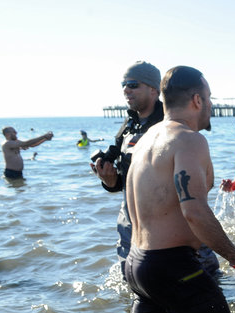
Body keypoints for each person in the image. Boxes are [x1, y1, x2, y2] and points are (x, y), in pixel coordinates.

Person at [124, 66, 235, 313]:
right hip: (171, 267)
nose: (211, 105)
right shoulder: (188, 140)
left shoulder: (146, 140)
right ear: (197, 100)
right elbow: (194, 211)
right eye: (209, 98)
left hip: (136, 266)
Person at [91, 61, 219, 276]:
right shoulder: (129, 124)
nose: (126, 90)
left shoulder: (171, 124)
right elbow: (127, 180)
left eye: (132, 84)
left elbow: (197, 186)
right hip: (132, 221)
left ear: (153, 90)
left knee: (203, 278)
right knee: (135, 281)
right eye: (123, 84)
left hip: (172, 223)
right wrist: (109, 180)